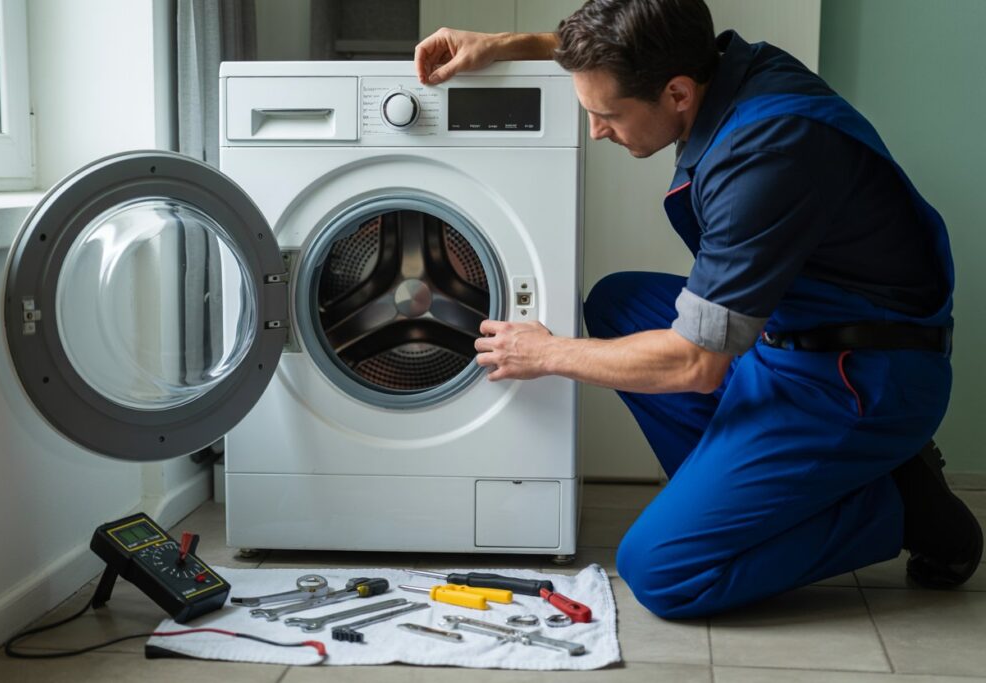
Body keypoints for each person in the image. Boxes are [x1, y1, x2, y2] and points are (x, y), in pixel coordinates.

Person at [414, 0, 982, 619]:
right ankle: (752, 490)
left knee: (661, 570)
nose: (597, 130)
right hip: (791, 334)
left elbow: (696, 364)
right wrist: (510, 44)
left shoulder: (765, 153)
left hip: (858, 377)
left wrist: (547, 353)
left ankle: (902, 507)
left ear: (678, 93)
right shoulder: (729, 67)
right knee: (619, 302)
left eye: (607, 114)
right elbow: (622, 55)